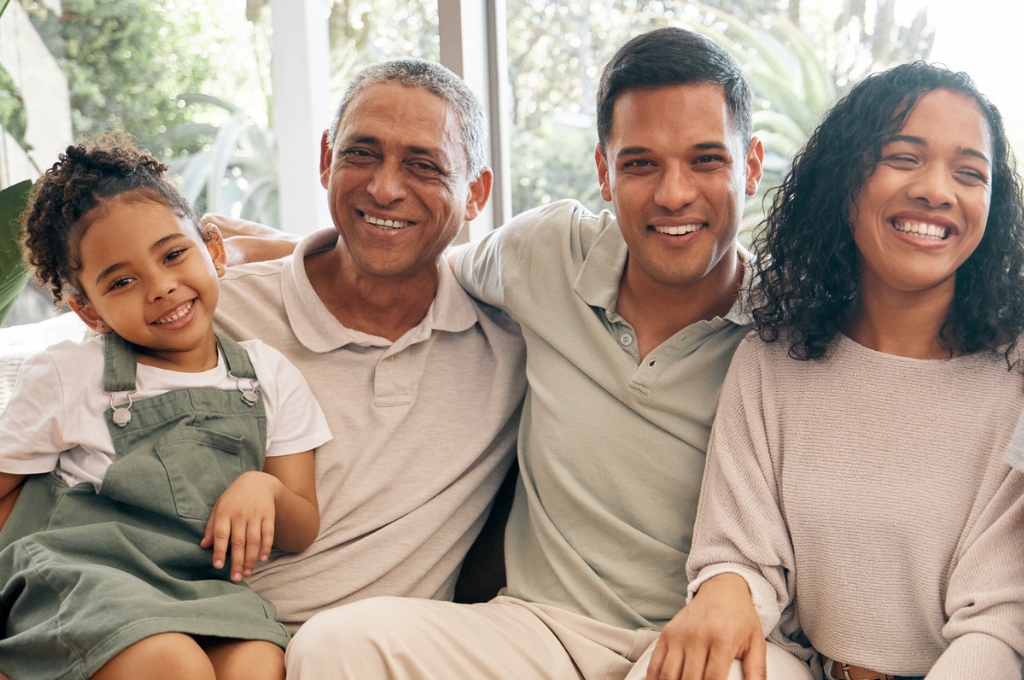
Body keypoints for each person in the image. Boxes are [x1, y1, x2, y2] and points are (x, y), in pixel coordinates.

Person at [283, 27, 811, 680]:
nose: (674, 194)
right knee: (333, 646)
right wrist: (241, 253)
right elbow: (419, 255)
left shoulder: (794, 327)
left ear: (752, 165)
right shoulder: (545, 253)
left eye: (706, 160)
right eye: (641, 163)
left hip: (715, 639)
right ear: (604, 172)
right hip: (540, 630)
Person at [681, 62, 1024, 679]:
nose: (937, 190)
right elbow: (739, 555)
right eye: (904, 157)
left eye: (969, 173)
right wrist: (727, 584)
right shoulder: (774, 355)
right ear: (845, 180)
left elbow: (1001, 625)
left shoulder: (1017, 378)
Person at [208, 58, 527, 629]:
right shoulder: (213, 312)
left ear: (475, 193)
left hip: (371, 657)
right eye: (362, 154)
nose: (384, 189)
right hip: (189, 641)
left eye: (424, 166)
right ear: (327, 159)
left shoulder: (510, 336)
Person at [0, 138, 332, 680]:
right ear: (90, 311)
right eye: (122, 281)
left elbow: (302, 527)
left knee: (260, 664)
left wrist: (265, 489)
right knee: (171, 663)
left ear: (214, 250)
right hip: (82, 580)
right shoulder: (68, 374)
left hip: (198, 588)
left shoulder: (267, 375)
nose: (161, 287)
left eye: (174, 253)